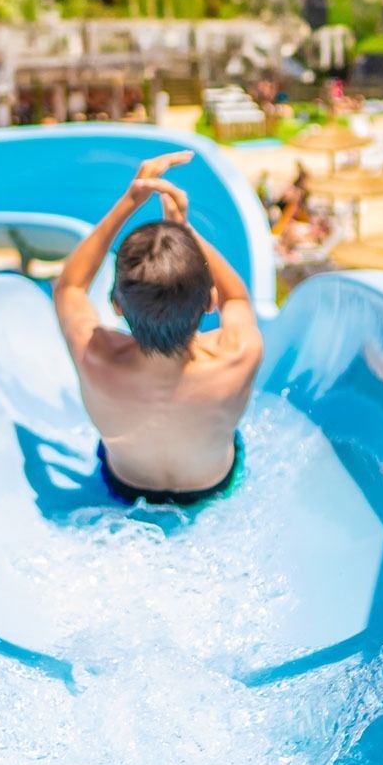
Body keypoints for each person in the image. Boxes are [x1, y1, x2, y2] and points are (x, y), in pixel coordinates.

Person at [53, 150, 264, 504]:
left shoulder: (95, 358)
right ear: (209, 301)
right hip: (212, 485)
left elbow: (69, 287)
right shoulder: (240, 355)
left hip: (124, 486)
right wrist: (184, 231)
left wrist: (129, 201)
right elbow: (237, 299)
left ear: (117, 306)